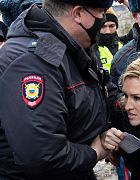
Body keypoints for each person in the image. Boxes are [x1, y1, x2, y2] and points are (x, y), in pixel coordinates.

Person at [0, 0, 114, 179]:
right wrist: (94, 152)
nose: (103, 19)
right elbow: (43, 156)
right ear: (77, 14)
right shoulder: (33, 61)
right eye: (100, 12)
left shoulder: (72, 46)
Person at [96, 7, 123, 72]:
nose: (107, 31)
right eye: (103, 26)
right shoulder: (91, 50)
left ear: (116, 27)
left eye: (111, 26)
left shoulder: (124, 44)